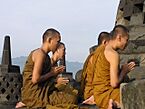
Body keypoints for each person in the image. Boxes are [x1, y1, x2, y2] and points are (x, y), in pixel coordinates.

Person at [16, 28, 67, 109]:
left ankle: (26, 102)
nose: (58, 45)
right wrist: (52, 73)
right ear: (49, 40)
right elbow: (35, 79)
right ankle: (28, 102)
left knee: (69, 94)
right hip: (34, 95)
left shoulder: (45, 56)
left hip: (41, 91)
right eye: (57, 42)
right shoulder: (40, 54)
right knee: (70, 99)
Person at [92, 25, 135, 109]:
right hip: (107, 94)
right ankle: (114, 104)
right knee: (134, 93)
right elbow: (114, 83)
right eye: (126, 40)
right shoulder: (113, 54)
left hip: (97, 94)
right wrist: (123, 71)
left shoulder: (101, 49)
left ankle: (114, 104)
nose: (127, 43)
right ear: (119, 37)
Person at [81, 32, 110, 104]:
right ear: (105, 42)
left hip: (88, 91)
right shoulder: (101, 57)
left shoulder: (92, 56)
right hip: (95, 92)